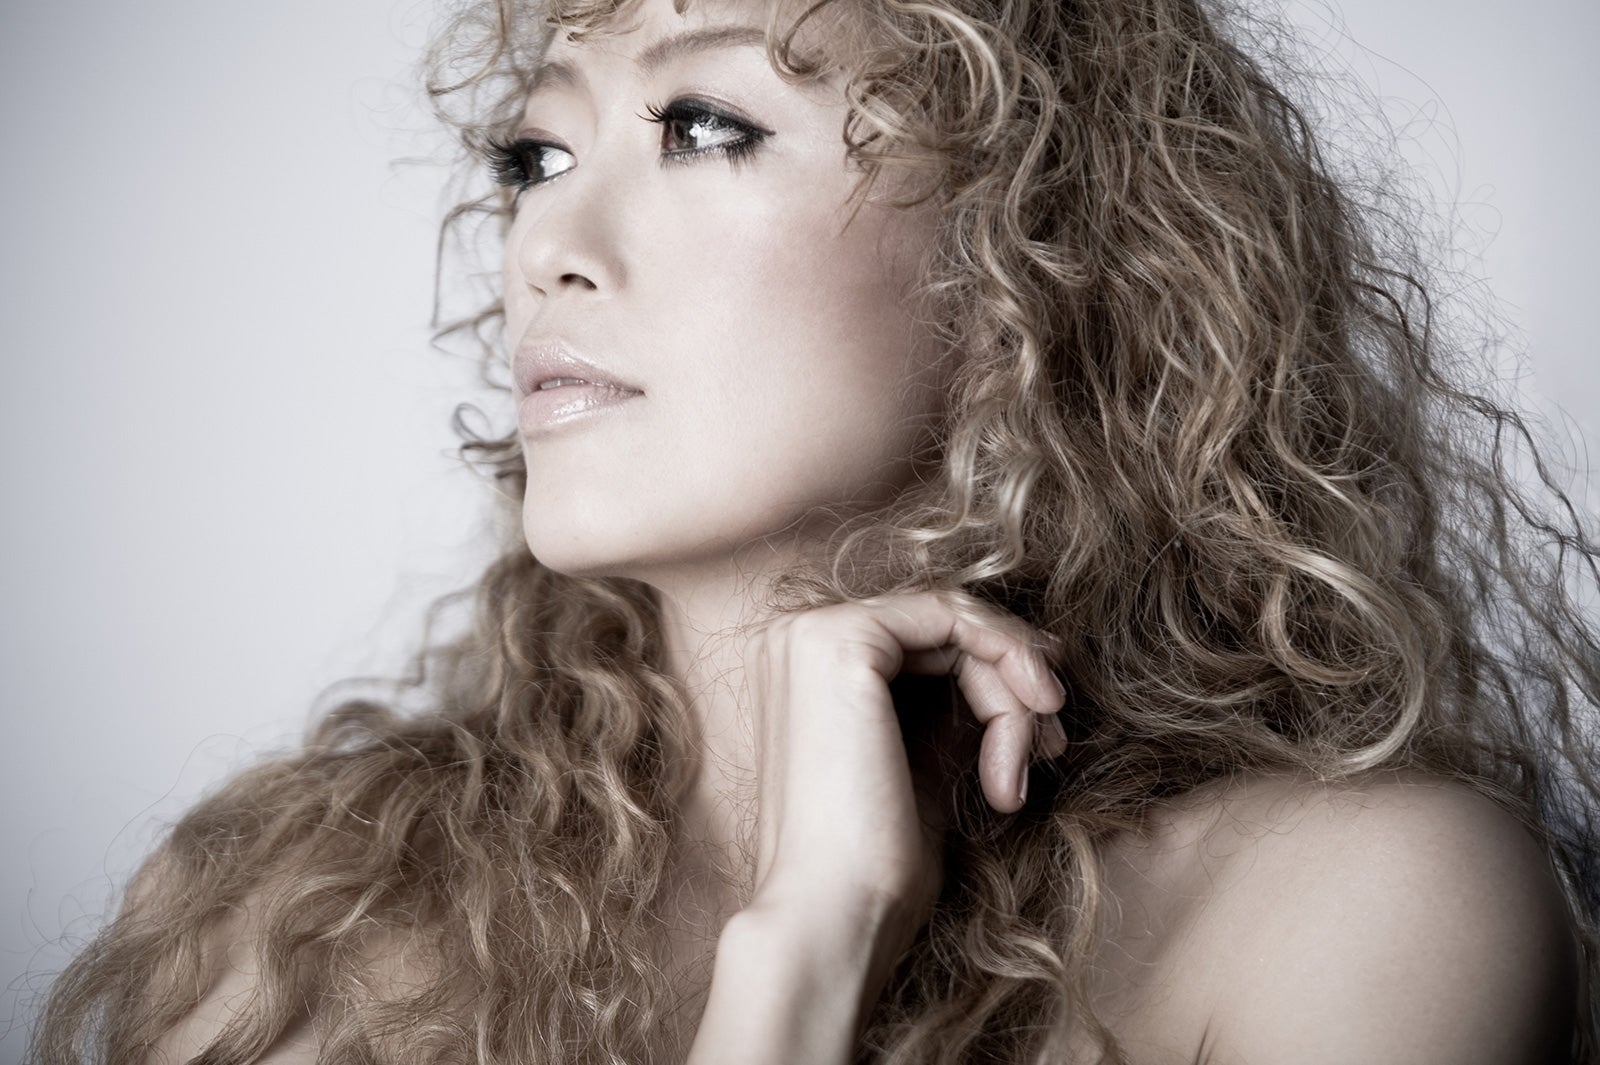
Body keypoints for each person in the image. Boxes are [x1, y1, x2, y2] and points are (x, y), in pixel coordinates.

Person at [31, 0, 1600, 1061]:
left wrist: (814, 946)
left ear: (1030, 254)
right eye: (535, 155)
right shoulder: (307, 924)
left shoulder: (1358, 914)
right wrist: (803, 952)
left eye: (704, 128)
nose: (548, 245)